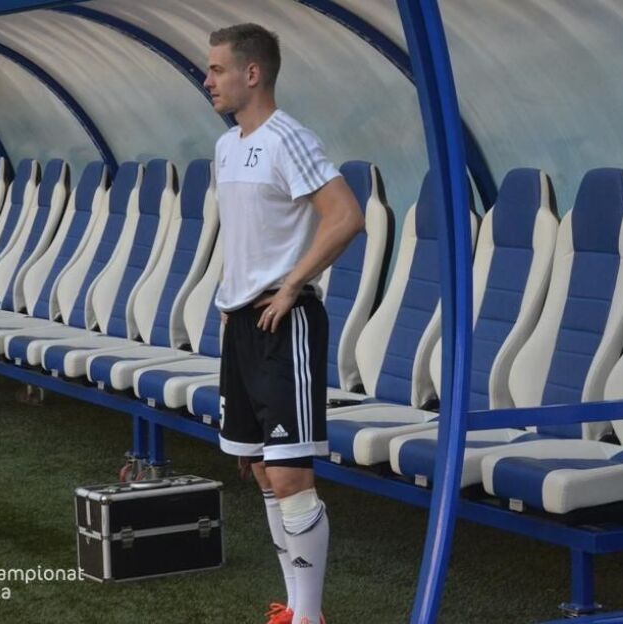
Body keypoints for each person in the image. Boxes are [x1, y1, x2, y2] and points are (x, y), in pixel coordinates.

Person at [203, 23, 365, 624]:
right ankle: (297, 609)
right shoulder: (226, 146)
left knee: (291, 474)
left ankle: (310, 616)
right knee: (263, 474)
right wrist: (230, 303)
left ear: (252, 73)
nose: (207, 80)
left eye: (217, 69)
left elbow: (345, 216)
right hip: (242, 323)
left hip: (284, 321)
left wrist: (293, 284)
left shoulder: (288, 138)